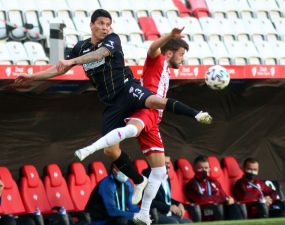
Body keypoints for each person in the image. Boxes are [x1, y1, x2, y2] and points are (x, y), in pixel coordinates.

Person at [15, 8, 212, 214]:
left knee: (154, 100)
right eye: (101, 24)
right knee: (110, 150)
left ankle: (196, 114)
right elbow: (60, 68)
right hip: (111, 103)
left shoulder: (112, 40)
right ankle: (138, 180)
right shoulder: (80, 47)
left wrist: (72, 61)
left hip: (127, 88)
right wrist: (33, 77)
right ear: (92, 25)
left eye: (108, 24)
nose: (105, 28)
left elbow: (100, 54)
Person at [73, 27, 209, 225]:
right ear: (169, 53)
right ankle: (89, 149)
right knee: (132, 130)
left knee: (160, 171)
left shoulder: (166, 70)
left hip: (156, 119)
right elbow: (153, 47)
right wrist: (170, 36)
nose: (182, 59)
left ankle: (144, 214)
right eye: (181, 54)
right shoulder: (158, 60)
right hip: (146, 106)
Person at [184, 155, 244, 221]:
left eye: (206, 168)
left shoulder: (213, 181)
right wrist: (222, 199)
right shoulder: (191, 185)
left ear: (209, 169)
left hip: (221, 207)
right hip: (205, 211)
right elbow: (201, 199)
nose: (203, 171)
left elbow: (223, 195)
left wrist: (229, 199)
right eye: (200, 168)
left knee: (234, 205)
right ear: (194, 169)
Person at [142, 156, 192, 224]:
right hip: (154, 214)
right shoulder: (148, 177)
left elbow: (165, 199)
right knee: (174, 223)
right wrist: (168, 207)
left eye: (168, 163)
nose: (167, 166)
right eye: (164, 163)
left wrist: (178, 204)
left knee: (188, 222)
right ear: (155, 163)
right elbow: (148, 201)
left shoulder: (166, 177)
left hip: (167, 213)